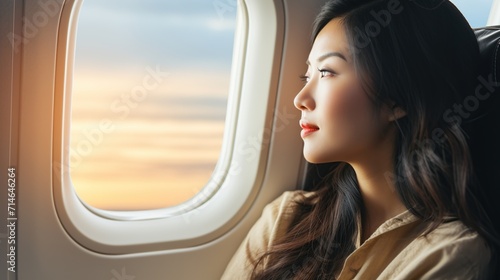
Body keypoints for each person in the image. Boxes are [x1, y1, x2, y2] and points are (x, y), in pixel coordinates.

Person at [222, 0, 499, 279]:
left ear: (396, 99)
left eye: (327, 72)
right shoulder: (285, 219)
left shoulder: (450, 254)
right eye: (306, 76)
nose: (299, 100)